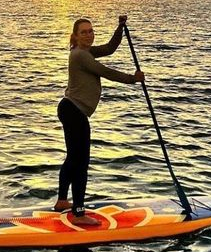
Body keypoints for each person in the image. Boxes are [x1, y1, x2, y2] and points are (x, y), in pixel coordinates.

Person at [55, 15, 145, 226]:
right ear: (75, 37)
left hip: (71, 110)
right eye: (83, 32)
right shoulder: (80, 55)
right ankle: (78, 213)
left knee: (73, 159)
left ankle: (61, 201)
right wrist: (133, 79)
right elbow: (105, 72)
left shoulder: (85, 52)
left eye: (91, 31)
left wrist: (120, 28)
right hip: (74, 112)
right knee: (81, 163)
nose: (89, 35)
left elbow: (109, 49)